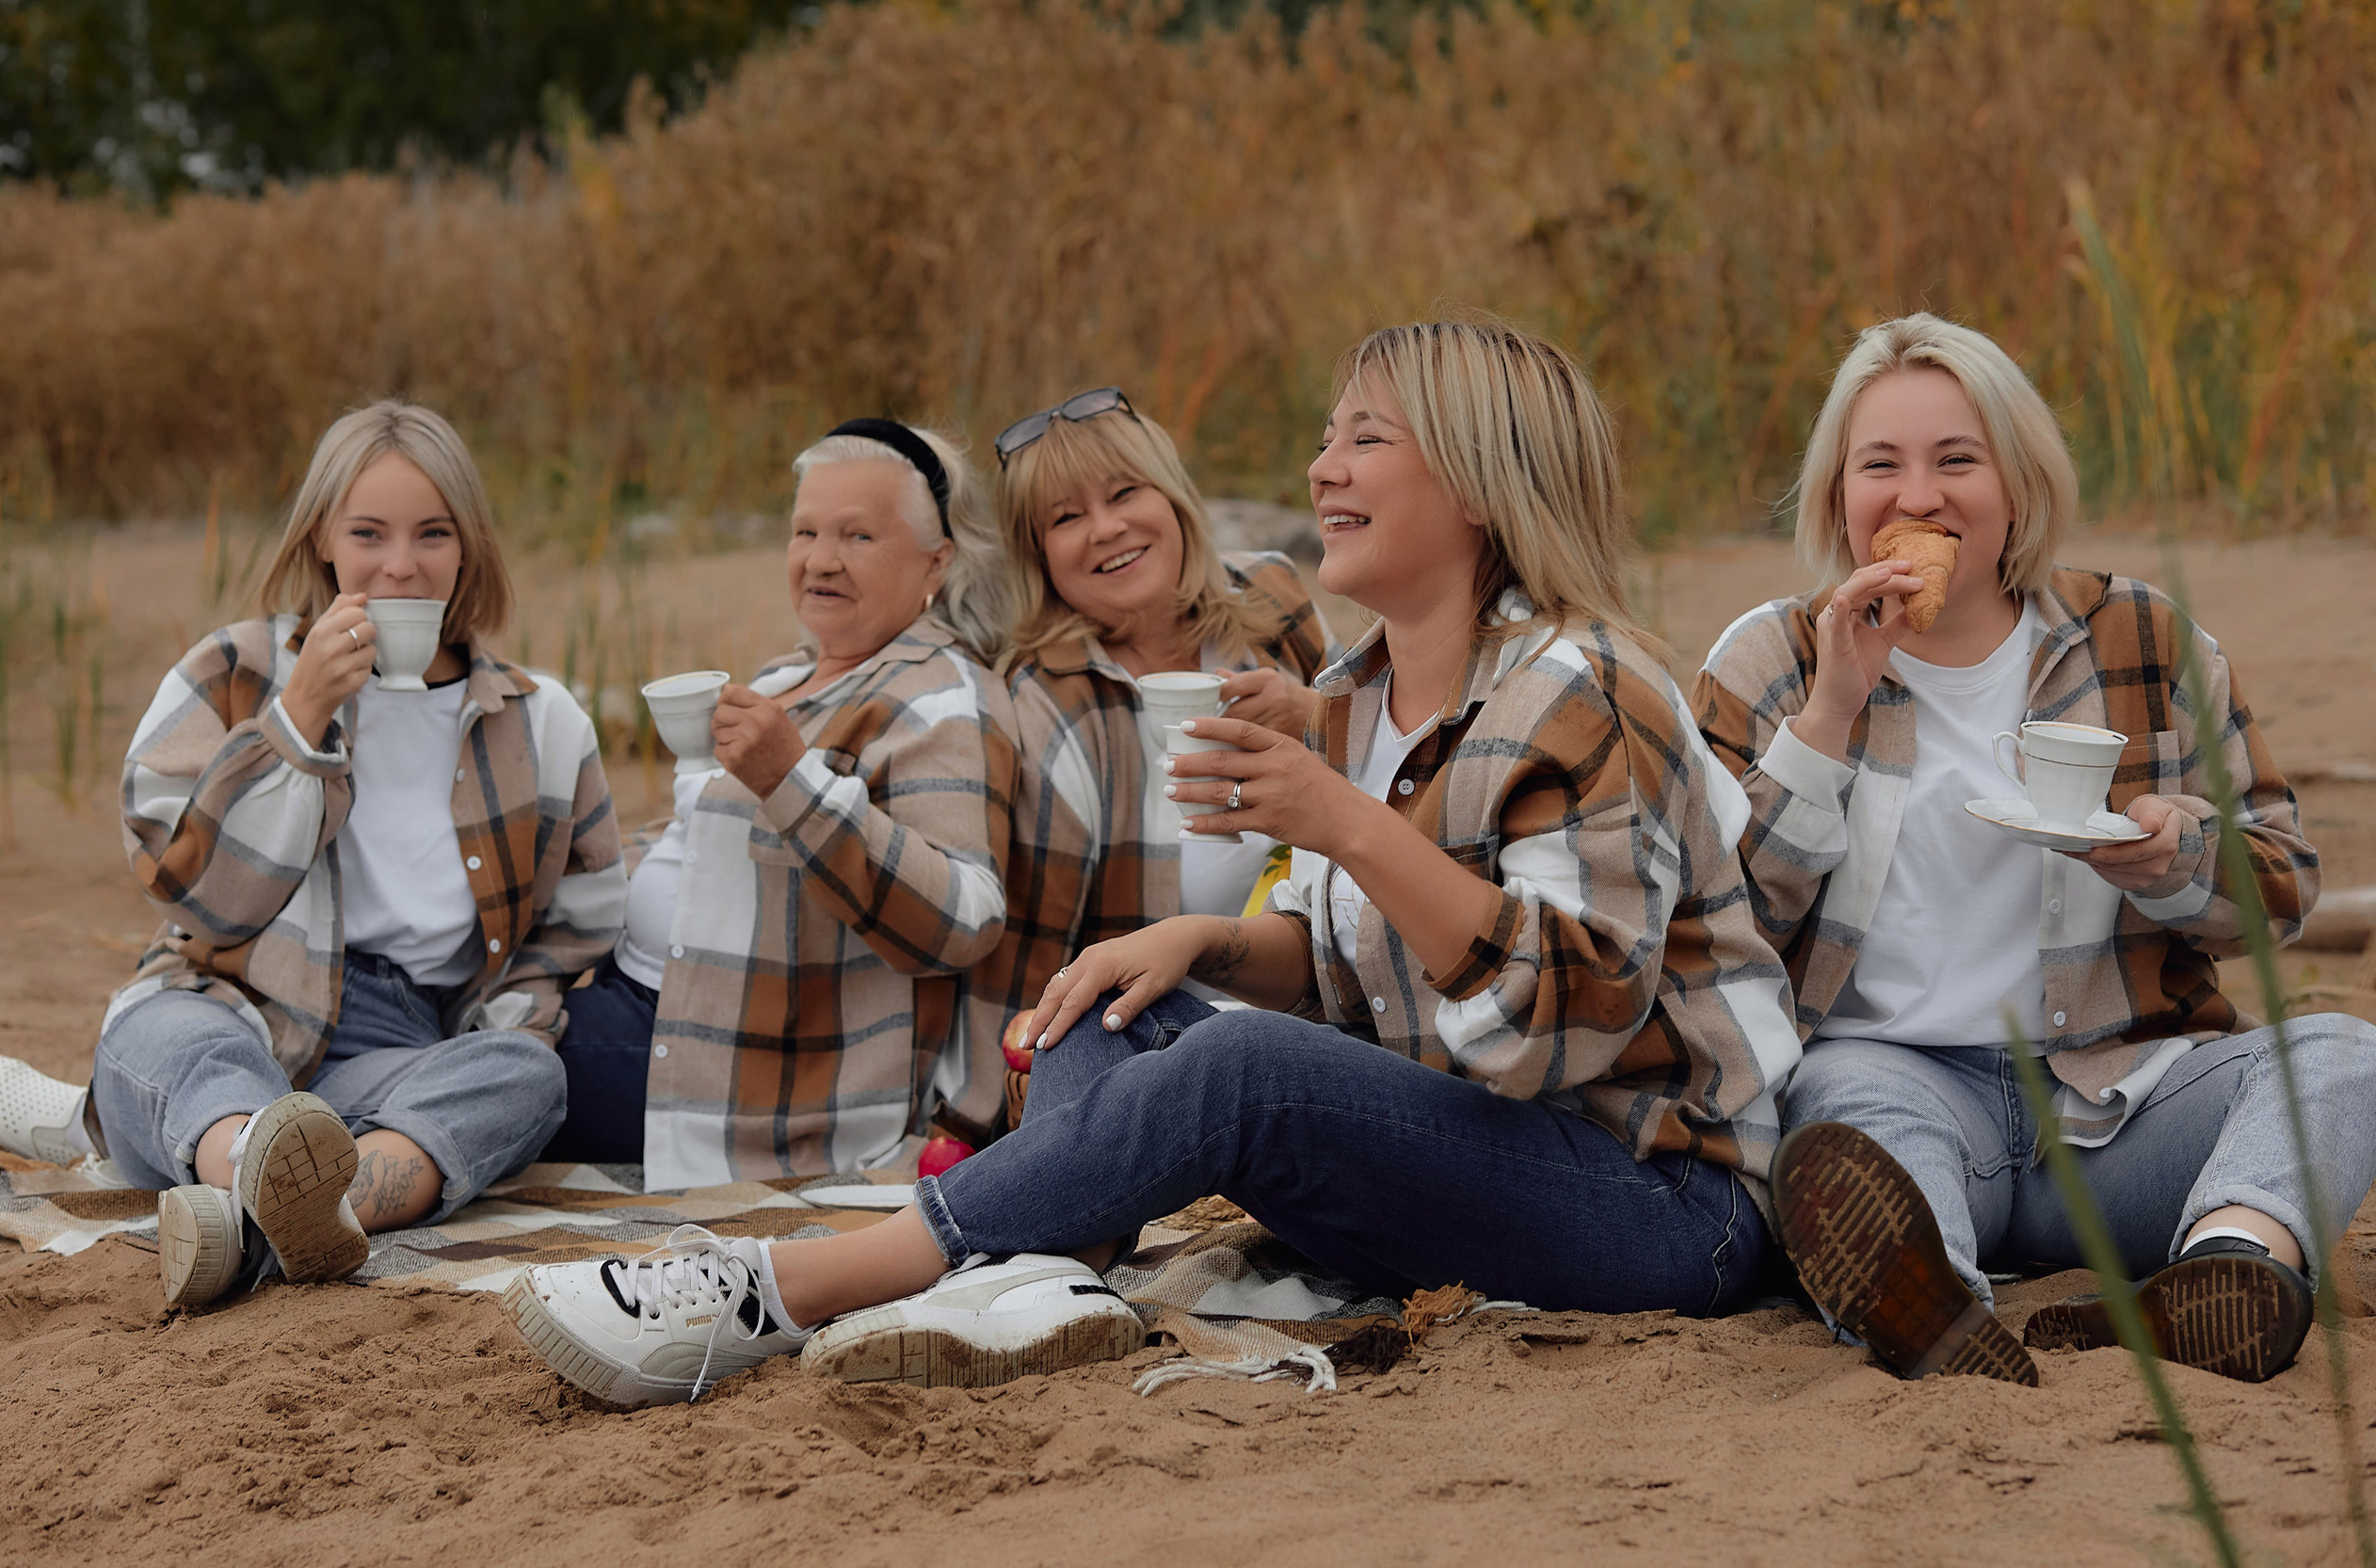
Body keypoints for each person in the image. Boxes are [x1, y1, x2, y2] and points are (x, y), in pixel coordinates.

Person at [503, 318, 1803, 1407]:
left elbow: (1557, 1028)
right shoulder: (1357, 692)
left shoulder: (1588, 684)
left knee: (1242, 1066)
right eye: (1325, 435)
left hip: (1656, 1201)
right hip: (1466, 1165)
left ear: (1473, 479)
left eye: (1363, 438)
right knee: (1106, 1005)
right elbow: (1358, 969)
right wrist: (1198, 944)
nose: (1318, 465)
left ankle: (784, 1286)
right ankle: (1055, 1276)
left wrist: (1346, 821)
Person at [1693, 312, 2376, 1385]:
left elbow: (2281, 887)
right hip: (1897, 1083)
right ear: (1839, 494)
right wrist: (1828, 715)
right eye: (1881, 464)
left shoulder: (2145, 639)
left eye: (1956, 459)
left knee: (2340, 1052)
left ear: (2018, 484)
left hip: (2118, 1105)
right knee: (1843, 1109)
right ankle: (1939, 1310)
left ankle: (2228, 1268)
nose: (1917, 496)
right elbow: (1719, 927)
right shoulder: (1771, 658)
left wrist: (2178, 866)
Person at [0, 401, 625, 1309]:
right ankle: (273, 1194)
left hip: (397, 1043)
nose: (402, 564)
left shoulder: (540, 718)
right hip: (227, 998)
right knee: (173, 1044)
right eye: (369, 532)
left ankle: (261, 1219)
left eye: (433, 533)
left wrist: (501, 1014)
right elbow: (196, 899)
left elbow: (585, 913)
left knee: (524, 1072)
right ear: (322, 537)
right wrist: (296, 718)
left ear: (468, 546)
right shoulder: (232, 672)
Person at [540, 421, 1020, 1186]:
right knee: (441, 1023)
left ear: (938, 561)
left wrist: (791, 781)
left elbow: (964, 919)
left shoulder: (940, 700)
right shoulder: (782, 678)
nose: (820, 560)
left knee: (474, 1066)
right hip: (629, 994)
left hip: (729, 1063)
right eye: (805, 531)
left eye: (858, 536)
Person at [974, 389, 1333, 1128]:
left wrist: (1319, 720)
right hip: (1154, 1060)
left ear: (1171, 498)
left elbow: (1396, 786)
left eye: (1124, 492)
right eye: (1065, 518)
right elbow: (1038, 947)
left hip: (1331, 1016)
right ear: (1037, 555)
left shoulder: (1270, 598)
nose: (1106, 530)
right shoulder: (1041, 702)